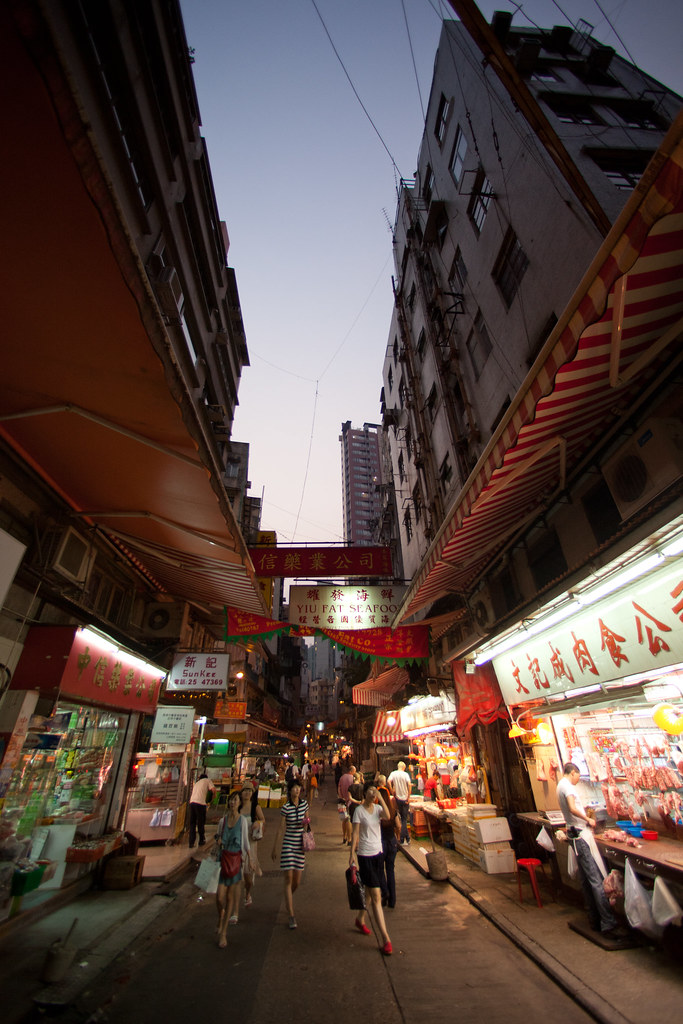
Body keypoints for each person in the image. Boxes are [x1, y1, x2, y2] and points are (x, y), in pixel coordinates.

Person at [557, 763, 624, 937]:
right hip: (580, 836)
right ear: (573, 773)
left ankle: (594, 919)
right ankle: (608, 924)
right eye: (578, 777)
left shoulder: (560, 786)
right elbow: (572, 807)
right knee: (596, 880)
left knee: (586, 880)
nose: (578, 780)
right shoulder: (568, 787)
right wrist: (588, 819)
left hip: (574, 835)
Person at [349, 781, 393, 955]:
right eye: (371, 791)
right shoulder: (359, 811)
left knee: (368, 891)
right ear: (364, 793)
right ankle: (386, 938)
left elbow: (389, 816)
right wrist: (352, 853)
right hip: (365, 854)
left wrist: (382, 799)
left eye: (375, 792)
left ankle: (360, 919)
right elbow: (354, 833)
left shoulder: (377, 810)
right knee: (376, 895)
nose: (373, 794)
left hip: (378, 853)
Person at [216, 790, 253, 948]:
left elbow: (245, 841)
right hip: (222, 861)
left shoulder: (243, 821)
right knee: (219, 897)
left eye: (235, 800)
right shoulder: (222, 822)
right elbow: (217, 837)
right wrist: (216, 841)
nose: (233, 802)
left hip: (236, 861)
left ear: (239, 803)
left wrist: (250, 859)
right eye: (231, 800)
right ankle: (221, 916)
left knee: (230, 898)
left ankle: (223, 933)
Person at [271, 779, 310, 930]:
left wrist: (306, 823)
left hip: (300, 844)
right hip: (288, 844)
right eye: (294, 788)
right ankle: (291, 915)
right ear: (290, 791)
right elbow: (281, 828)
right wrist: (275, 847)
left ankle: (288, 899)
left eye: (298, 787)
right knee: (288, 878)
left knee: (296, 882)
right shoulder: (285, 807)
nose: (297, 790)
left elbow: (307, 822)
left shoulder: (304, 805)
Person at [240, 783, 265, 908]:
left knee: (248, 874)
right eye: (245, 790)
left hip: (250, 843)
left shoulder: (255, 807)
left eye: (250, 791)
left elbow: (263, 820)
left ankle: (247, 892)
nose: (247, 793)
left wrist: (258, 823)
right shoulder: (237, 807)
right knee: (238, 873)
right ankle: (233, 908)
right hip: (238, 843)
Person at [376, 775, 399, 909]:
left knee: (380, 870)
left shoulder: (377, 812)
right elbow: (399, 826)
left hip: (381, 843)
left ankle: (385, 892)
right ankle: (393, 900)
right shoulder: (392, 810)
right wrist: (397, 837)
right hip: (391, 841)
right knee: (390, 870)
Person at [188, 772, 215, 848]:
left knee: (192, 823)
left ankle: (191, 842)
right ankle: (201, 840)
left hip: (192, 803)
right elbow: (213, 790)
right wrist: (212, 798)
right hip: (200, 804)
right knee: (201, 822)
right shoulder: (207, 780)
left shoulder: (197, 783)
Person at [387, 761, 412, 844]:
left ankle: (407, 838)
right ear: (404, 767)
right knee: (404, 819)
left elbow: (388, 782)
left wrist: (392, 792)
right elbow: (409, 785)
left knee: (402, 817)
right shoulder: (405, 775)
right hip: (405, 798)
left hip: (397, 798)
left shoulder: (393, 774)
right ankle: (402, 839)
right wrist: (408, 796)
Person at [338, 763, 355, 845]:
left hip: (342, 801)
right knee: (348, 819)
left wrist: (341, 796)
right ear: (352, 771)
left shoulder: (342, 777)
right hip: (349, 802)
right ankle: (349, 839)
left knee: (343, 819)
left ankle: (344, 837)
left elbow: (339, 788)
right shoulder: (352, 778)